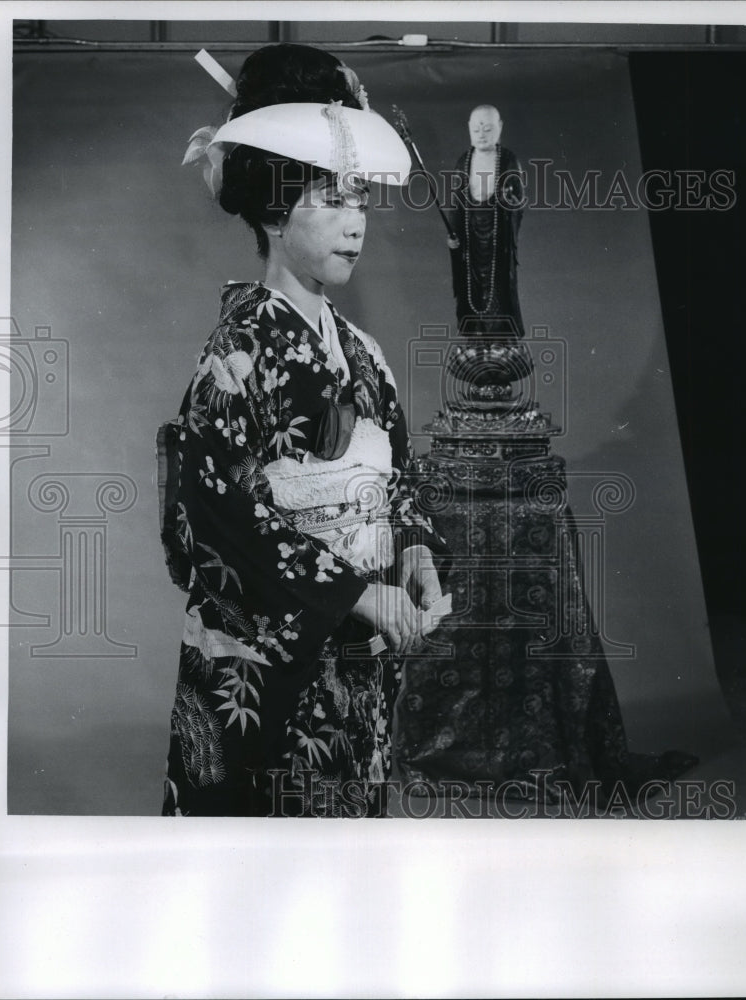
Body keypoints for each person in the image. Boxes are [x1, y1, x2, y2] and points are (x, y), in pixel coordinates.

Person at [158, 44, 447, 817]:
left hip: (358, 646)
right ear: (273, 209)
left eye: (359, 201)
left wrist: (414, 552)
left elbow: (400, 479)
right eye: (330, 201)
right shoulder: (240, 347)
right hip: (272, 656)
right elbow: (210, 508)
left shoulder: (362, 351)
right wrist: (353, 590)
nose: (355, 225)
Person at [447, 104, 526, 339]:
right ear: (469, 130)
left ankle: (500, 338)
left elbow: (518, 200)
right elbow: (457, 204)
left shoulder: (508, 160)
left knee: (498, 284)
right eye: (477, 129)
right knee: (472, 284)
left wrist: (509, 201)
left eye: (488, 128)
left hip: (498, 233)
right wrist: (454, 234)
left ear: (500, 128)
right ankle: (477, 336)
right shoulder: (464, 162)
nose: (482, 134)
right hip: (470, 234)